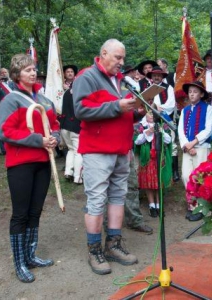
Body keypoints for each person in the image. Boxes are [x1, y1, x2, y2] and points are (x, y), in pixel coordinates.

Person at [73, 39, 139, 275]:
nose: (122, 63)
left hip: (121, 149)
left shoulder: (122, 81)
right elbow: (80, 110)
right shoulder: (86, 77)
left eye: (123, 58)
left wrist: (138, 111)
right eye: (118, 57)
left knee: (118, 196)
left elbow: (124, 113)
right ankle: (94, 250)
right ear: (103, 53)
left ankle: (113, 244)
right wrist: (117, 107)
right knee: (97, 199)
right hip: (97, 150)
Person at [0, 54, 60, 283]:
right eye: (27, 70)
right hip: (20, 164)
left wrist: (54, 138)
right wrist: (38, 140)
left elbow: (54, 125)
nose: (32, 73)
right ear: (16, 75)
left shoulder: (44, 100)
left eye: (34, 69)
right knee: (21, 214)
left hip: (43, 163)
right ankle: (20, 263)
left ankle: (31, 255)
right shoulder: (10, 100)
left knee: (35, 212)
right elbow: (5, 132)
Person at [178, 81, 212, 221]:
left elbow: (208, 129)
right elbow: (181, 130)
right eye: (190, 91)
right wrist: (187, 146)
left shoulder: (208, 108)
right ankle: (192, 206)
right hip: (188, 149)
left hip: (201, 148)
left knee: (201, 178)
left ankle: (202, 208)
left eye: (195, 91)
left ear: (201, 94)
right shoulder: (184, 110)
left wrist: (194, 142)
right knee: (186, 176)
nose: (192, 94)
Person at [135, 111, 172, 217]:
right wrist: (147, 132)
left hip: (160, 158)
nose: (151, 115)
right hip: (147, 159)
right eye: (149, 113)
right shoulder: (141, 126)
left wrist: (161, 132)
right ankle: (152, 205)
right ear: (145, 114)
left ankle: (159, 204)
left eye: (153, 113)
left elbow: (169, 140)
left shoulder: (162, 125)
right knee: (148, 182)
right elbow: (137, 142)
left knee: (159, 182)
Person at [146, 66, 180, 182]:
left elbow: (171, 104)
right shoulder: (147, 89)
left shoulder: (168, 88)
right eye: (154, 75)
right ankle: (156, 171)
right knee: (155, 145)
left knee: (172, 145)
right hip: (151, 121)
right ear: (151, 77)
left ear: (162, 77)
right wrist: (153, 109)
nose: (156, 77)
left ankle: (174, 171)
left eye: (158, 75)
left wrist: (158, 109)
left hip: (166, 119)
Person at [59, 64, 83, 184]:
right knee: (78, 151)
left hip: (64, 125)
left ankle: (68, 172)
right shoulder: (78, 94)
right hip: (75, 125)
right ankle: (77, 177)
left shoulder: (67, 92)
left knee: (71, 150)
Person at [0, 68, 15, 155]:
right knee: (1, 129)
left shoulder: (12, 84)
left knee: (12, 128)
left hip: (12, 109)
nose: (4, 74)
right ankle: (3, 150)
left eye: (5, 72)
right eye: (2, 73)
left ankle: (12, 147)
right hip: (1, 109)